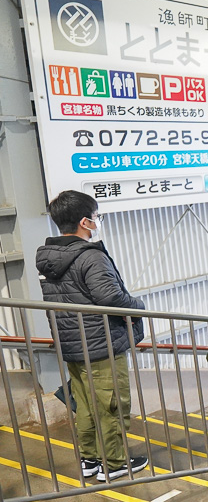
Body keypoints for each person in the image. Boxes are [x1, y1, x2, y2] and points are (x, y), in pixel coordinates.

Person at [35, 190, 149, 482]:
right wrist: (140, 307)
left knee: (84, 404)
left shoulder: (50, 257)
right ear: (85, 222)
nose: (98, 221)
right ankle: (115, 463)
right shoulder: (90, 256)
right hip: (101, 343)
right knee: (112, 405)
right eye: (96, 216)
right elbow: (111, 298)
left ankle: (89, 459)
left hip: (73, 344)